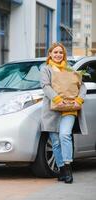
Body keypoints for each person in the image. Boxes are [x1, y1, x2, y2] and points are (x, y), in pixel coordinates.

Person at [40, 43, 87, 184]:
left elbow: (82, 86)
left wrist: (79, 99)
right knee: (55, 142)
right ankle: (61, 170)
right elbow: (45, 86)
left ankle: (68, 168)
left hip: (69, 108)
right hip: (52, 109)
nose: (58, 55)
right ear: (50, 54)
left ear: (64, 55)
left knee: (65, 135)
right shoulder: (46, 69)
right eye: (55, 52)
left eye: (61, 52)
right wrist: (57, 99)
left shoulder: (69, 69)